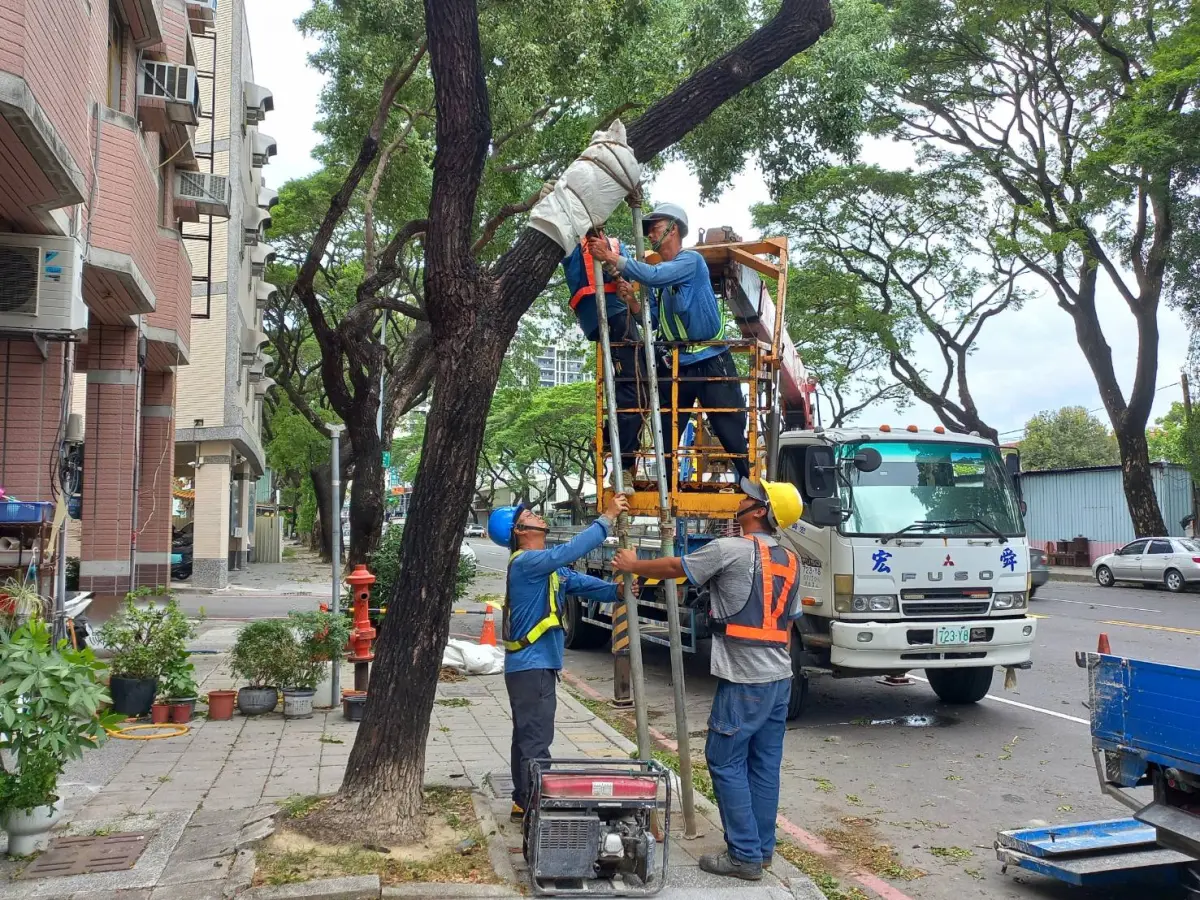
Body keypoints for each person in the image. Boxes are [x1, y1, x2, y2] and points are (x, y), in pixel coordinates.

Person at [610, 478, 804, 880]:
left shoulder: (729, 548)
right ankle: (762, 850)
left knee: (724, 760)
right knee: (764, 767)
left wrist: (632, 565)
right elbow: (787, 623)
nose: (741, 500)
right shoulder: (790, 559)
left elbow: (675, 567)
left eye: (749, 498)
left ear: (760, 511)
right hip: (779, 677)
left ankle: (745, 856)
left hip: (744, 678)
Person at [488, 492, 633, 823]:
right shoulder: (527, 563)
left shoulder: (548, 569)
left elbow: (580, 582)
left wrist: (616, 591)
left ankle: (523, 801)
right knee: (536, 740)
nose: (538, 516)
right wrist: (607, 518)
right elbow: (571, 551)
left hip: (533, 666)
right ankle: (536, 811)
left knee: (526, 736)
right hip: (532, 666)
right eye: (529, 516)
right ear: (519, 532)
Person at [587, 203, 750, 482]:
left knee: (730, 430)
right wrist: (633, 302)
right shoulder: (658, 279)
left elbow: (654, 275)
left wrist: (611, 257)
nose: (651, 235)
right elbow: (652, 322)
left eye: (656, 229)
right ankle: (666, 486)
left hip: (711, 359)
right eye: (649, 231)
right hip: (677, 363)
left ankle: (751, 486)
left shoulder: (690, 262)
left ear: (673, 230)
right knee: (665, 431)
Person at [562, 232, 651, 485]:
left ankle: (611, 438)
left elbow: (632, 275)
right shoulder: (576, 242)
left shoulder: (611, 244)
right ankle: (623, 464)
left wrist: (623, 280)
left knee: (638, 386)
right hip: (609, 316)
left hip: (615, 314)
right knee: (634, 390)